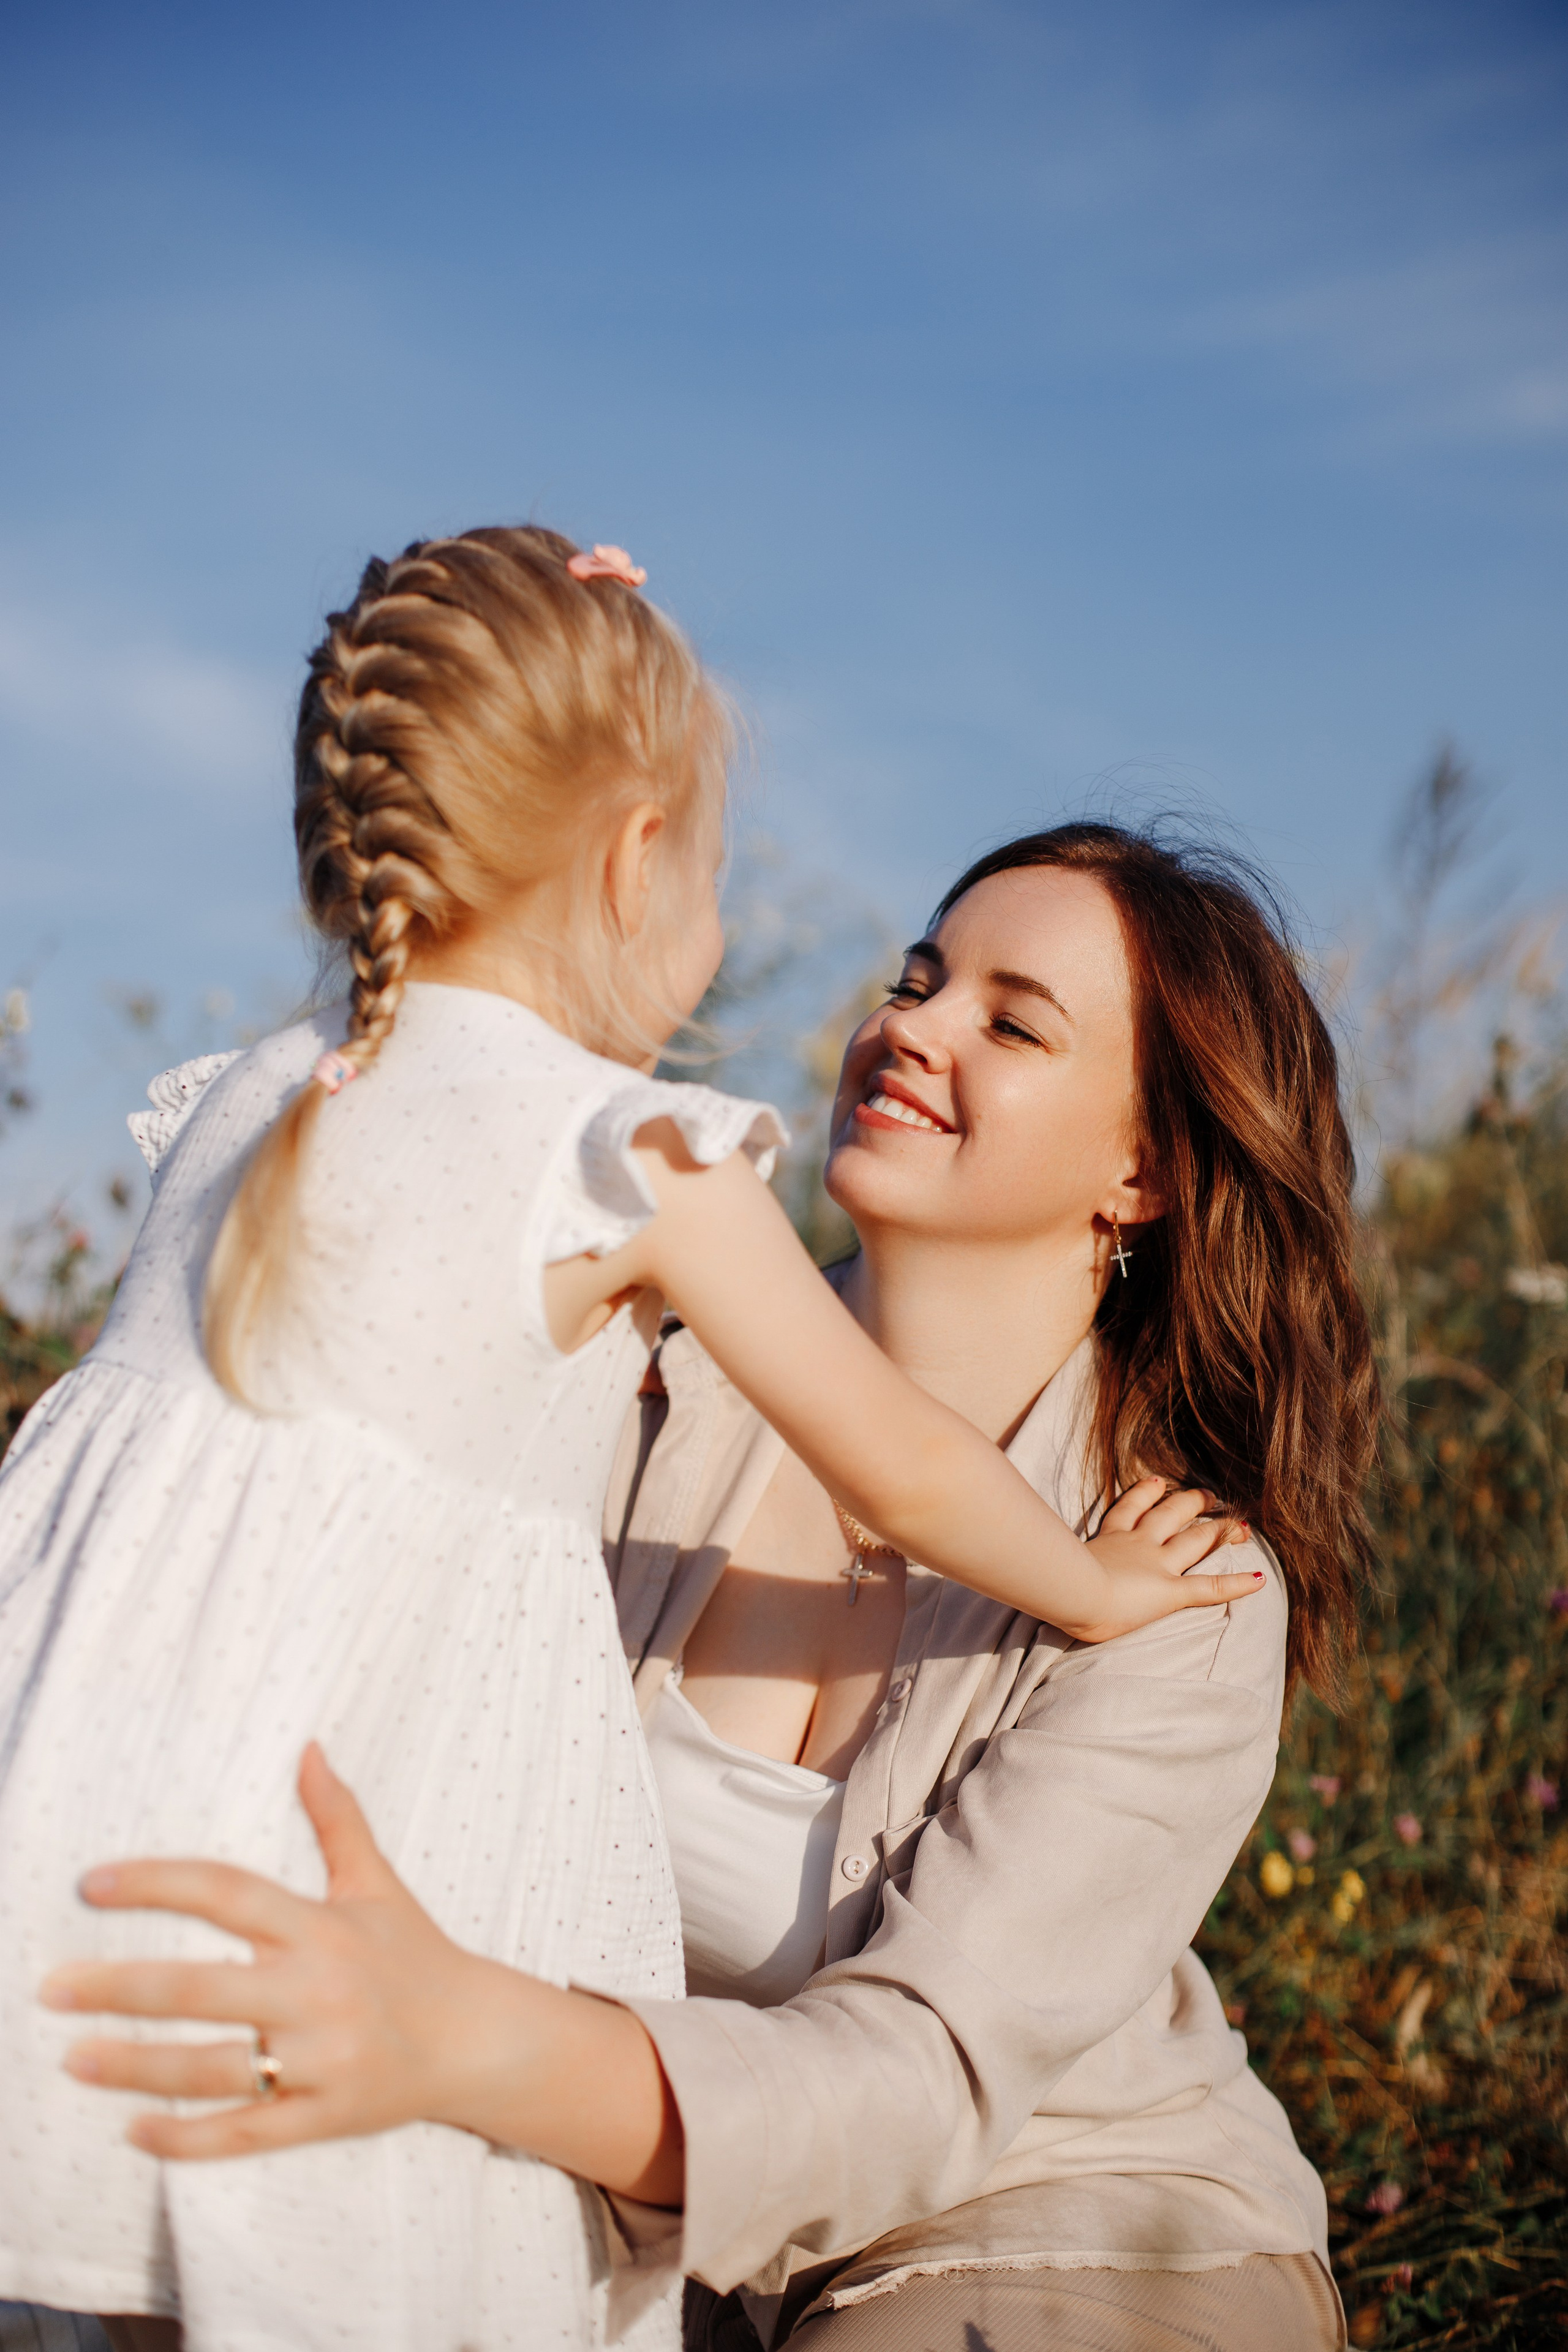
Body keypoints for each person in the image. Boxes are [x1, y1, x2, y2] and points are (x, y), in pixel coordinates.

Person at [0, 539, 1256, 2352]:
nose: (906, 1020)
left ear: (1146, 1170)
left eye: (1012, 1017)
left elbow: (914, 2081)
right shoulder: (632, 1273)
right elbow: (904, 1466)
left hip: (1031, 2233)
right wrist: (578, 688)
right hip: (570, 2161)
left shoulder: (1192, 1575)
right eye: (919, 972)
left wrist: (521, 679)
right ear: (630, 859)